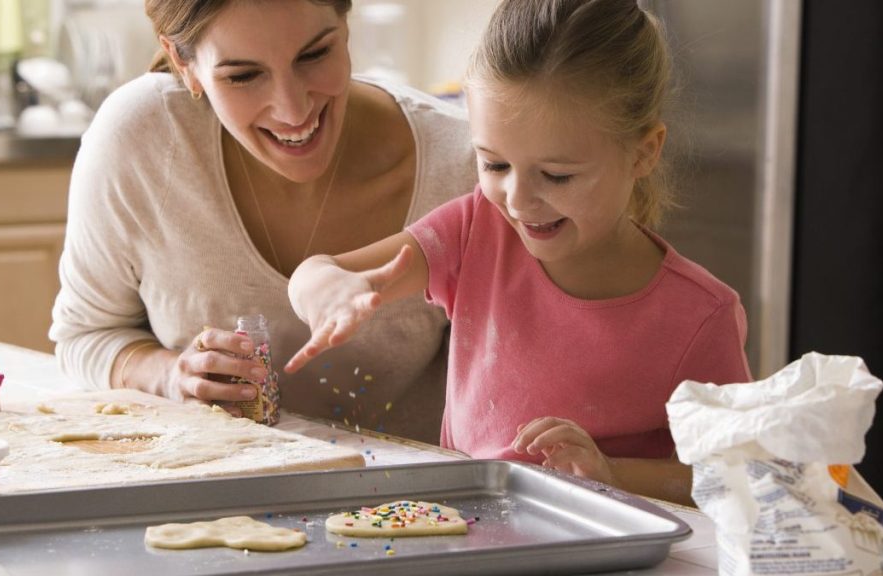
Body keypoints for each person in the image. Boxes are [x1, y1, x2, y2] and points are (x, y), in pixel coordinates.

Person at [285, 0, 751, 505]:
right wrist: (329, 289)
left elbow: (740, 476)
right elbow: (320, 272)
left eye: (557, 175)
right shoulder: (475, 231)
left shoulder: (701, 316)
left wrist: (609, 472)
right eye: (495, 164)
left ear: (644, 152)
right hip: (467, 535)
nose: (518, 200)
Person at [49, 0, 476, 443]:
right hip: (208, 495)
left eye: (314, 55)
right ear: (184, 62)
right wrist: (172, 377)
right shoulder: (141, 138)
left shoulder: (468, 164)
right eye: (243, 76)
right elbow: (85, 336)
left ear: (345, 25)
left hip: (420, 505)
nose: (292, 110)